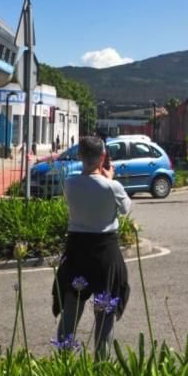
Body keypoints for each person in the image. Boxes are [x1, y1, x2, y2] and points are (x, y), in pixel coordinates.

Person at [53, 136, 130, 354]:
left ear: (80, 156)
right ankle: (101, 365)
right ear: (103, 157)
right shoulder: (112, 186)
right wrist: (111, 178)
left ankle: (63, 359)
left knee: (71, 308)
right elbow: (126, 210)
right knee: (104, 312)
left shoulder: (70, 183)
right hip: (105, 249)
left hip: (77, 248)